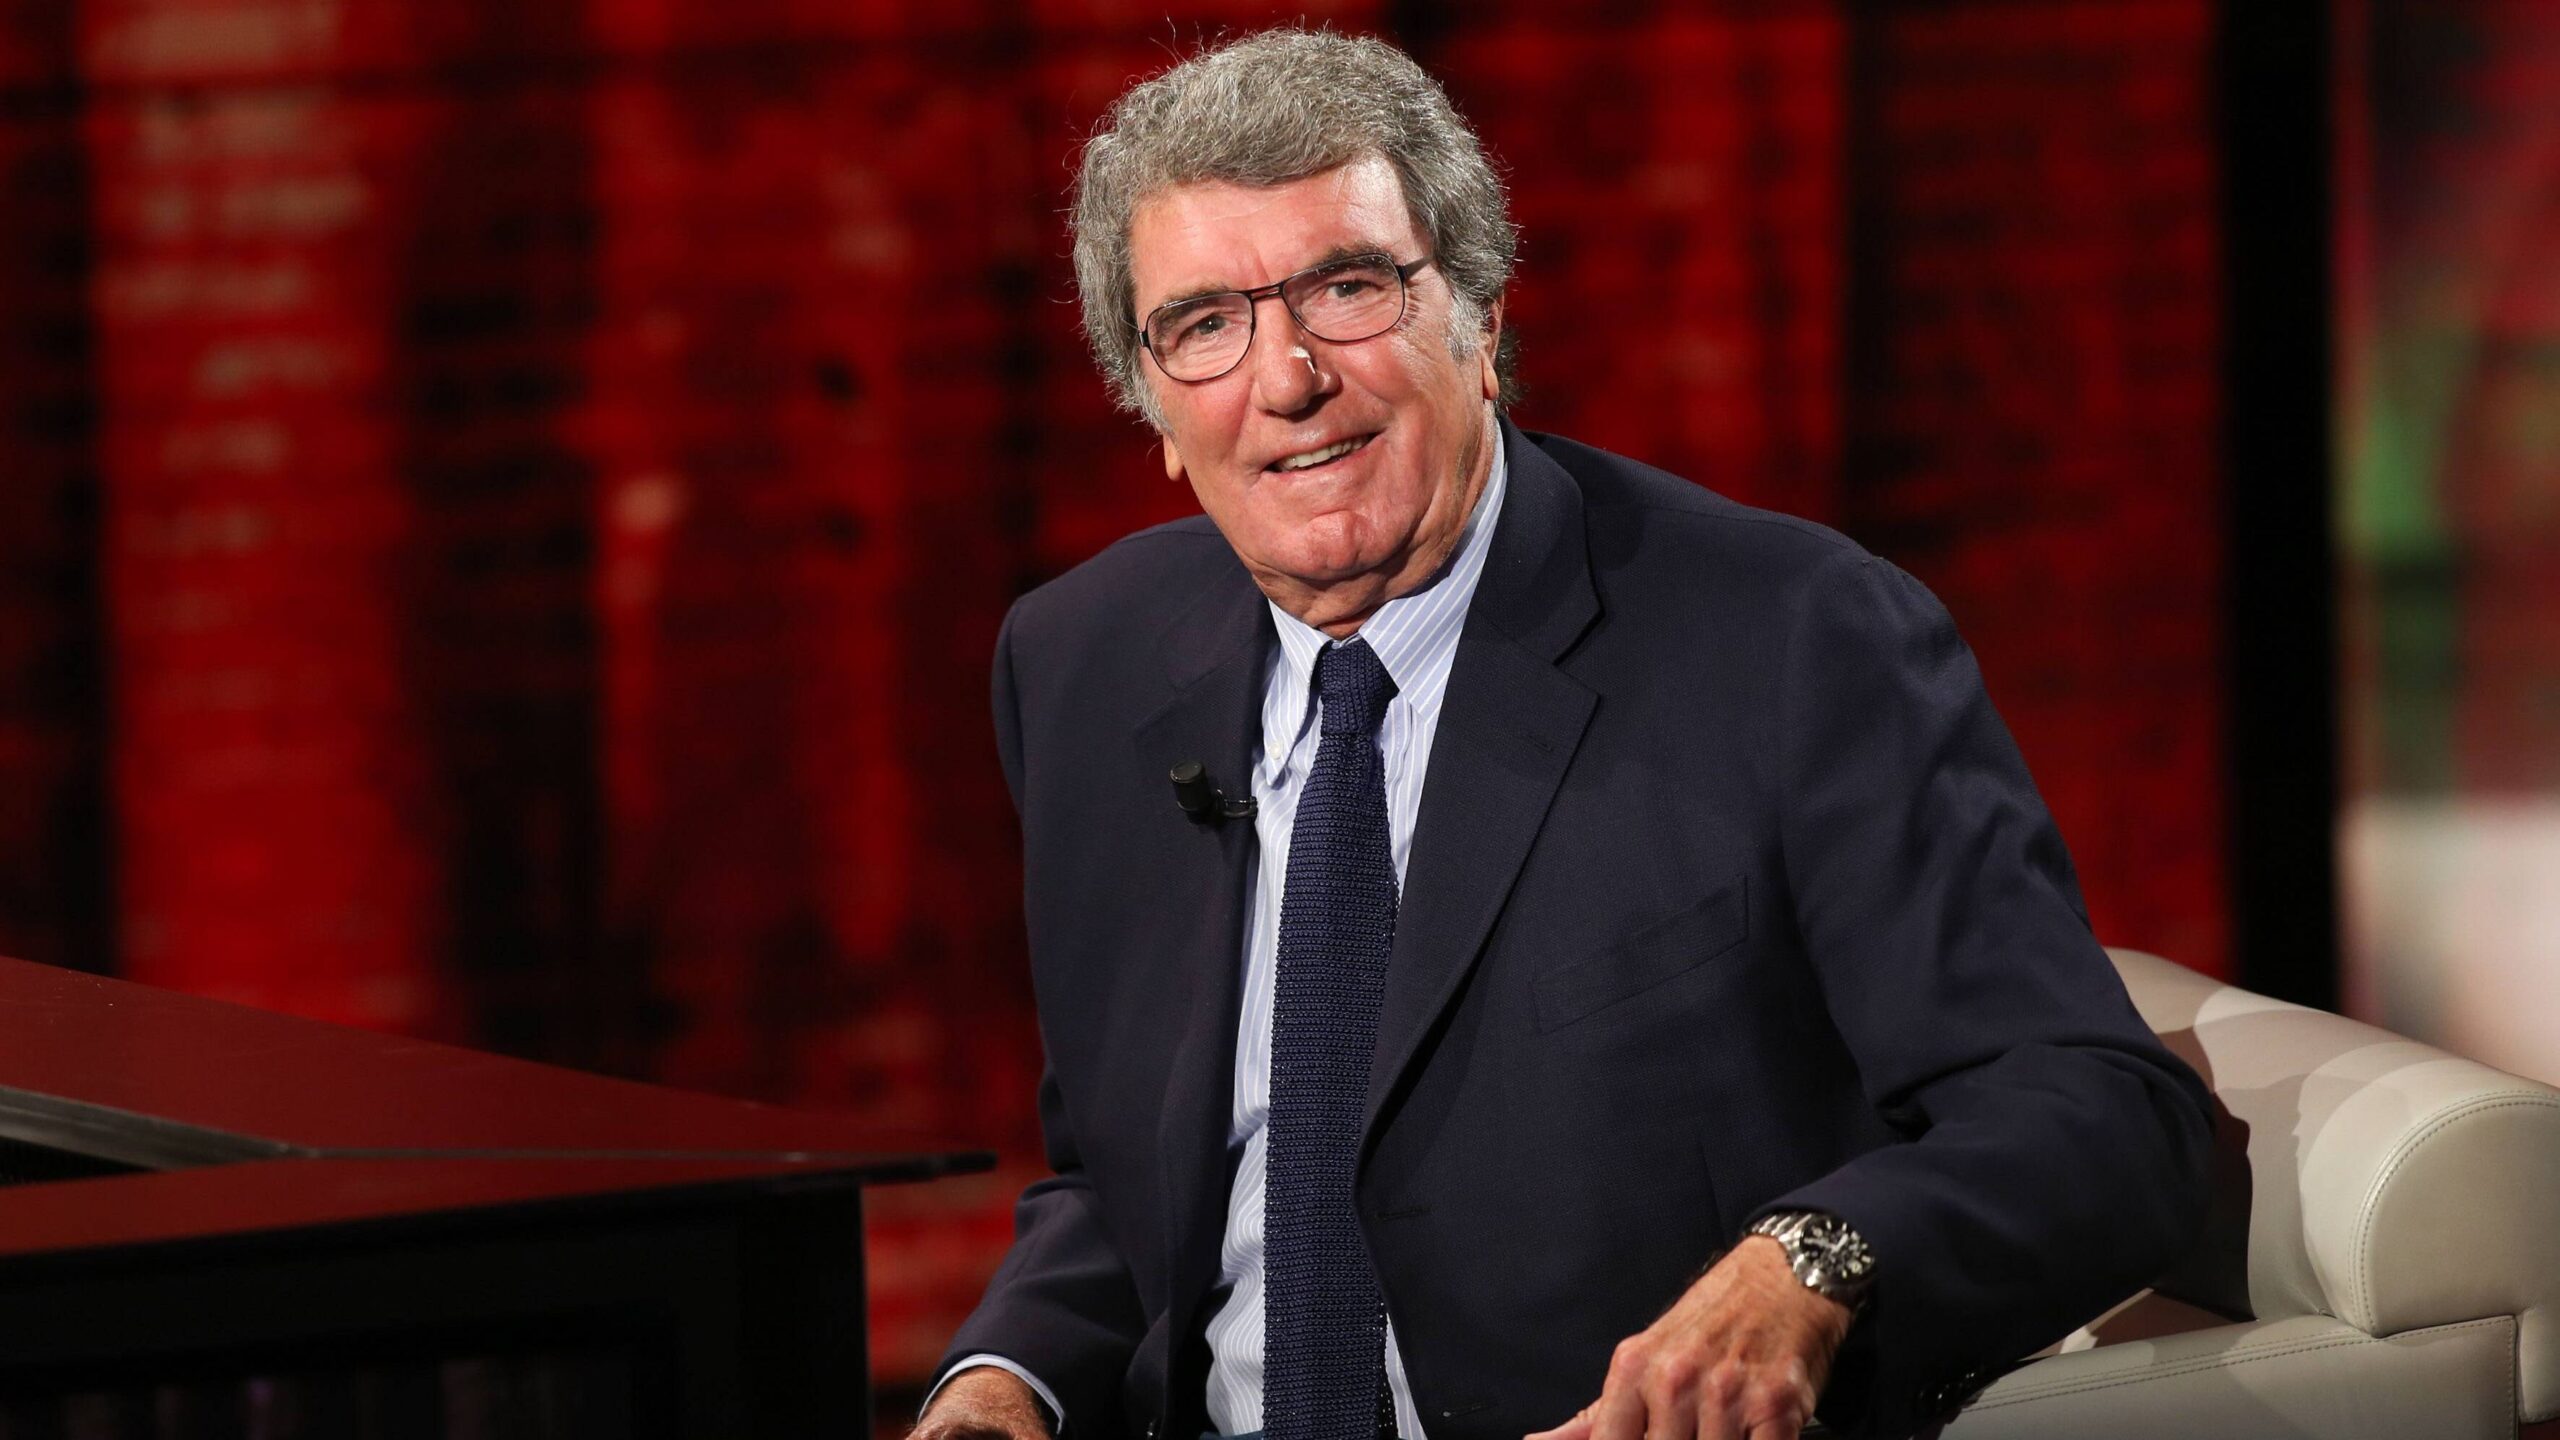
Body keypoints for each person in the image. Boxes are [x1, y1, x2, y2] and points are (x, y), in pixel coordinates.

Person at [916, 27, 2215, 1440]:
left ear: (1478, 323)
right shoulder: (1083, 663)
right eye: (1206, 324)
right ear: (1157, 410)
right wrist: (1003, 1383)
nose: (1285, 380)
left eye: (1347, 289)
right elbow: (1125, 1183)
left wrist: (1807, 1264)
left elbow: (2102, 1116)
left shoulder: (1791, 640)